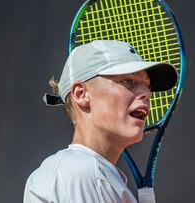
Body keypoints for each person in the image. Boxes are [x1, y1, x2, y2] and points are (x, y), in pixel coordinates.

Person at [23, 40, 177, 203]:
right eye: (127, 81)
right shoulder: (82, 172)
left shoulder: (90, 174)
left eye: (147, 85)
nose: (147, 92)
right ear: (81, 94)